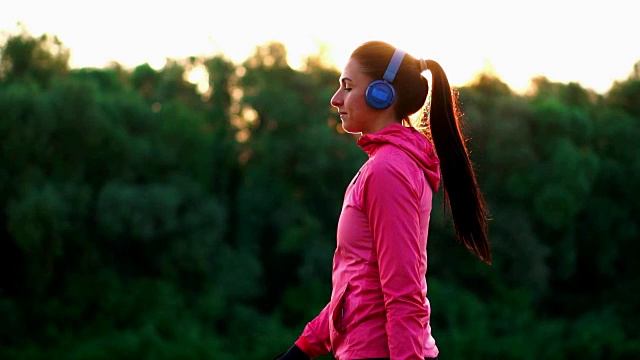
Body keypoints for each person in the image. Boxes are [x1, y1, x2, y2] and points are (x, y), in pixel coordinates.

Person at [275, 40, 492, 360]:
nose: (336, 99)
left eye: (347, 87)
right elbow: (357, 288)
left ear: (382, 94)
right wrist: (303, 348)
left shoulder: (388, 171)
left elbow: (404, 295)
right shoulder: (385, 166)